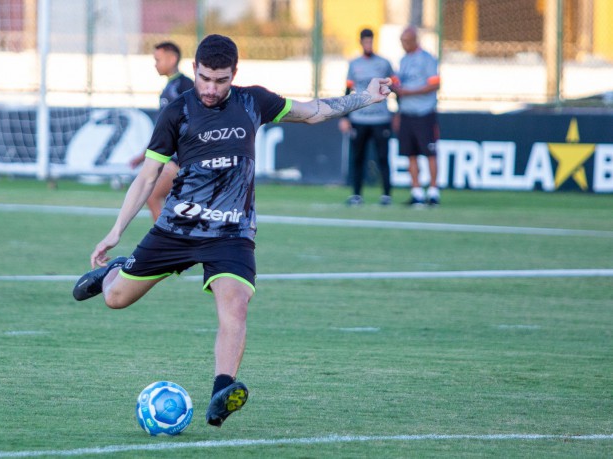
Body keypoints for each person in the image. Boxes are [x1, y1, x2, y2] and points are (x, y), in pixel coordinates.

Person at [73, 34, 391, 428]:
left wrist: (366, 96)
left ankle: (222, 392)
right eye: (205, 78)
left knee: (236, 304)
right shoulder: (177, 111)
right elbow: (148, 175)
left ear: (233, 75)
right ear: (195, 71)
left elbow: (313, 111)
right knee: (115, 299)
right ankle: (113, 272)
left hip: (232, 233)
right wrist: (115, 231)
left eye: (220, 80)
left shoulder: (252, 101)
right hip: (178, 228)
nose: (211, 88)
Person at [129, 41, 194, 221]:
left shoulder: (183, 86)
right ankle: (172, 243)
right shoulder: (170, 87)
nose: (155, 64)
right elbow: (163, 130)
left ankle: (164, 244)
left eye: (158, 59)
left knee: (152, 195)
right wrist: (143, 155)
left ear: (172, 59)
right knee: (170, 201)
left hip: (180, 158)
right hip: (173, 156)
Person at [339, 28, 396, 207]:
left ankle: (386, 195)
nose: (368, 44)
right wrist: (345, 117)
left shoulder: (384, 63)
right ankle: (357, 194)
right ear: (361, 42)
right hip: (359, 119)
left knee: (383, 157)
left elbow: (395, 87)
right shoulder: (354, 64)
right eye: (366, 41)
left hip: (380, 119)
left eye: (371, 41)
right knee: (358, 158)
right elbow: (348, 91)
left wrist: (399, 112)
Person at [393, 25, 441, 207]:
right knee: (410, 154)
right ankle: (417, 192)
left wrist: (409, 92)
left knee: (430, 153)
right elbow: (399, 88)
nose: (403, 45)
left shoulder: (427, 59)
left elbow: (434, 84)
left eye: (405, 41)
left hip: (424, 113)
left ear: (414, 40)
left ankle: (434, 191)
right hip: (407, 114)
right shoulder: (403, 61)